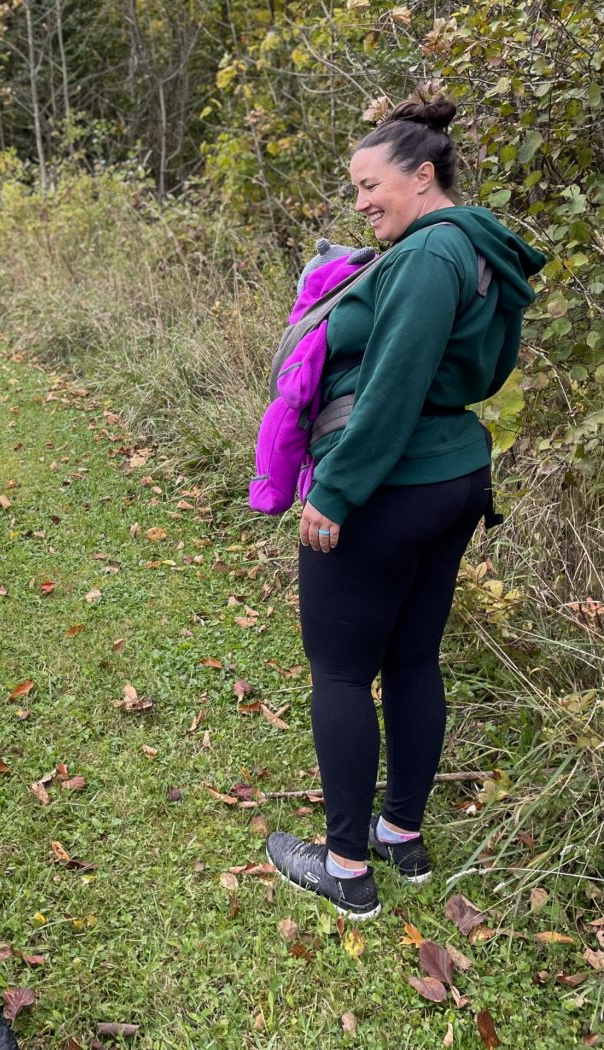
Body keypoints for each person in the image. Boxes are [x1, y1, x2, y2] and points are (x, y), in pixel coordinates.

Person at [266, 94, 546, 919]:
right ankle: (401, 835)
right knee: (413, 660)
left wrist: (338, 491)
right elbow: (476, 373)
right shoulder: (481, 250)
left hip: (394, 482)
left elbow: (394, 385)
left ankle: (346, 869)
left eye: (368, 184)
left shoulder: (431, 256)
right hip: (452, 475)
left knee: (343, 669)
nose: (358, 203)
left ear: (423, 177)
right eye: (352, 189)